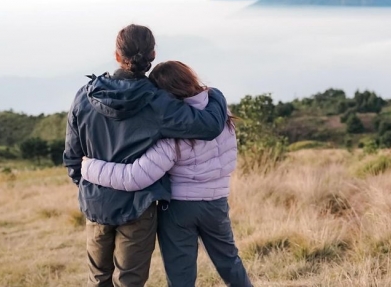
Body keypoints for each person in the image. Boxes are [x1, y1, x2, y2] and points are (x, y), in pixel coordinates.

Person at [64, 25, 229, 287]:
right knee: (130, 281)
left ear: (117, 55)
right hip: (138, 207)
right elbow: (208, 126)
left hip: (96, 203)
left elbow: (73, 157)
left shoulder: (85, 96)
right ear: (152, 55)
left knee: (97, 279)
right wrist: (215, 95)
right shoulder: (158, 102)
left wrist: (89, 187)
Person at [81, 60, 253, 287]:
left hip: (179, 209)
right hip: (216, 202)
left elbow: (134, 177)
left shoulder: (173, 130)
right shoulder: (220, 113)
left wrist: (90, 167)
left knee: (180, 273)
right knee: (230, 262)